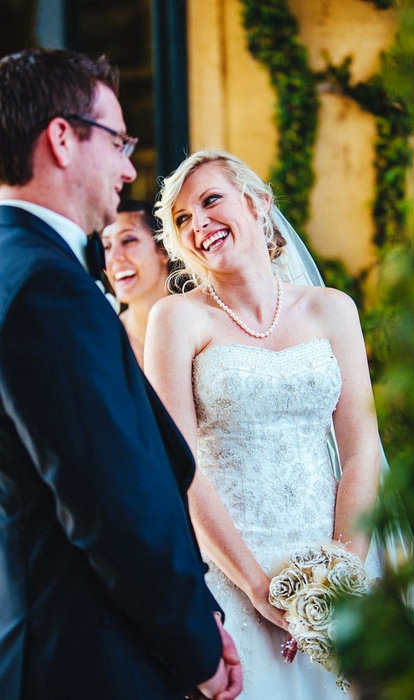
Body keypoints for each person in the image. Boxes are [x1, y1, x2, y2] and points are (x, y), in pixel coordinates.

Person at [0, 51, 242, 700]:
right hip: (87, 653)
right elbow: (111, 502)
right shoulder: (45, 286)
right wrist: (194, 641)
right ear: (61, 138)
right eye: (117, 141)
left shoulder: (19, 266)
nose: (129, 168)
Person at [144, 149, 383, 698]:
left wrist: (341, 574)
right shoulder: (177, 320)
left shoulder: (333, 310)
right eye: (181, 219)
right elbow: (180, 465)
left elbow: (362, 452)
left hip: (330, 561)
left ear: (259, 204)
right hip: (230, 571)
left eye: (210, 201)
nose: (198, 223)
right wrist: (256, 587)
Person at [102, 199, 171, 367]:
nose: (113, 258)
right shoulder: (106, 340)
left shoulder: (199, 322)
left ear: (163, 248)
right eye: (106, 246)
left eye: (128, 240)